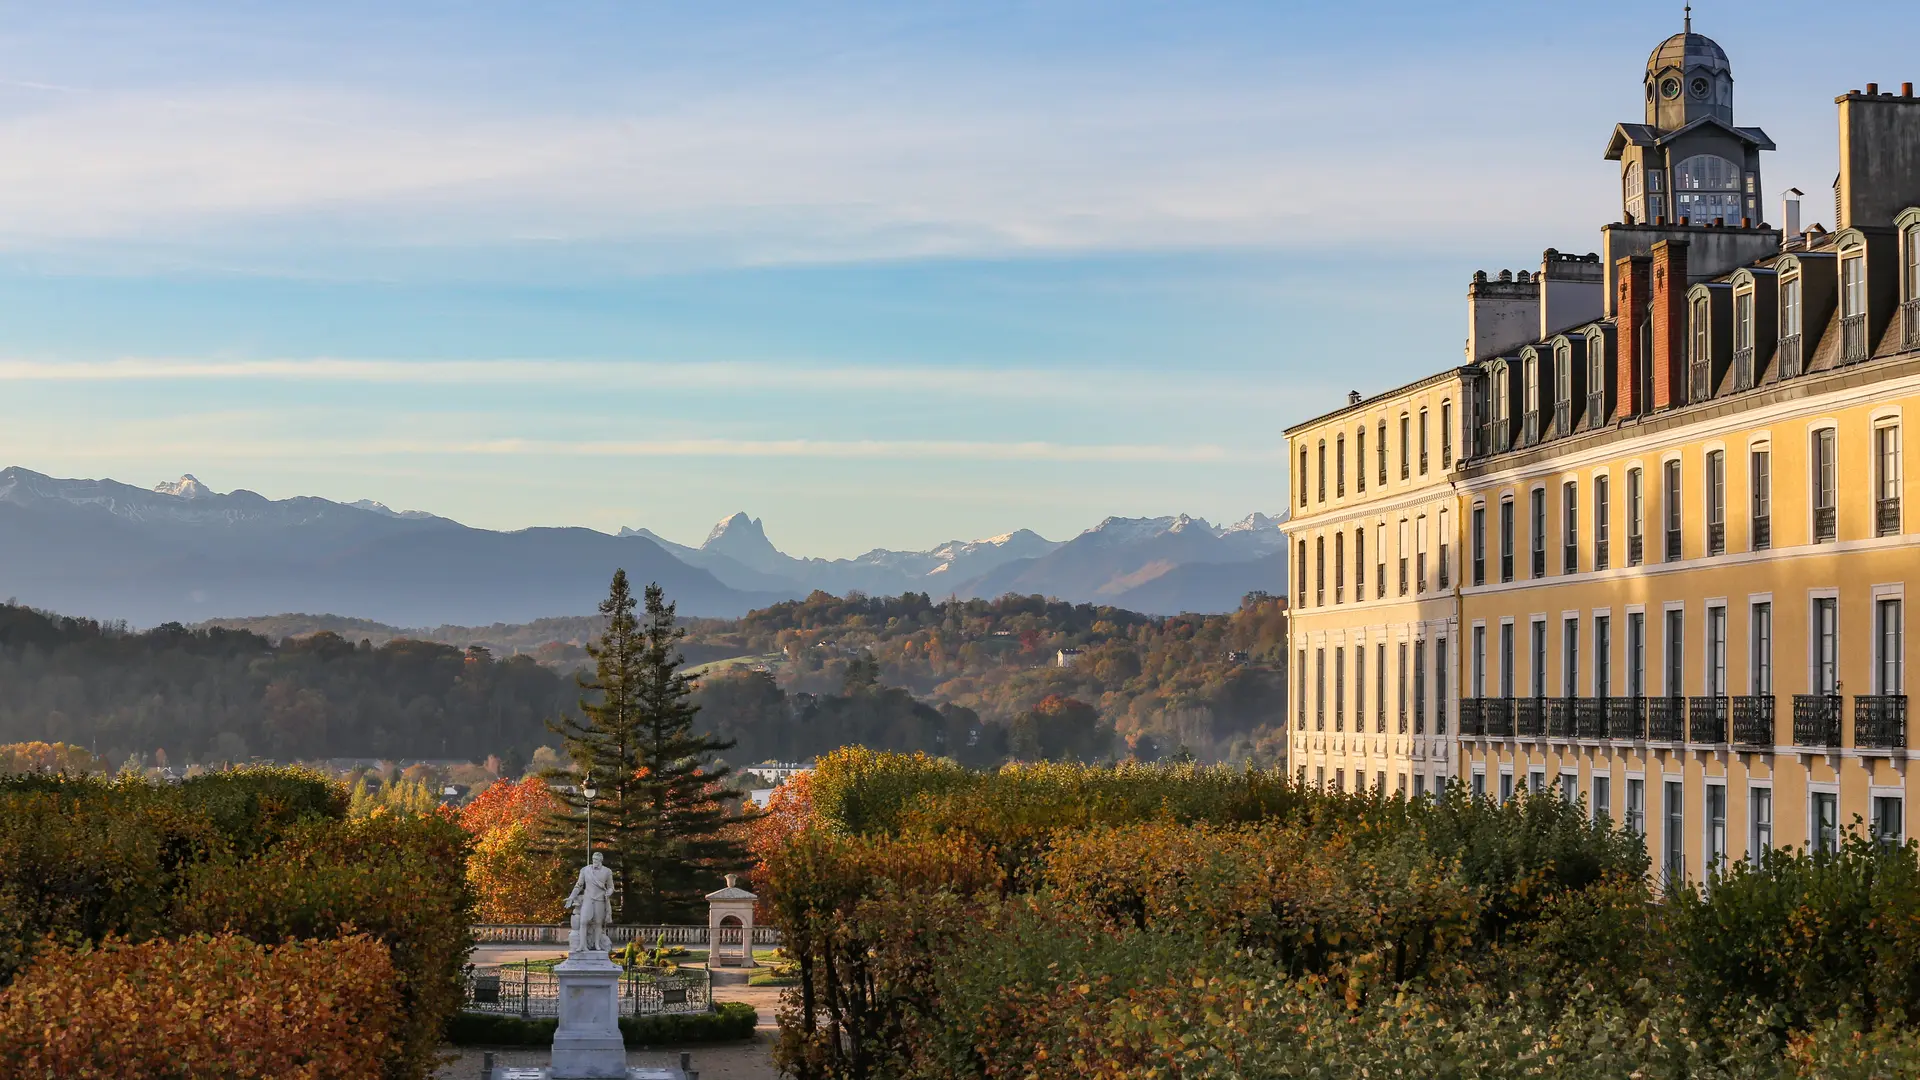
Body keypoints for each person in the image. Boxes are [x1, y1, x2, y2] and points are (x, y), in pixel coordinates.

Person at [565, 851, 615, 954]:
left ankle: (597, 945)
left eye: (596, 859)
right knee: (583, 922)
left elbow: (611, 887)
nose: (594, 861)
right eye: (593, 859)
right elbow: (579, 885)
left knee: (598, 923)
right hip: (588, 898)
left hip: (600, 899)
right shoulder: (585, 870)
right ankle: (582, 945)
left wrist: (609, 893)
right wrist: (571, 897)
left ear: (601, 860)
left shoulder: (607, 871)